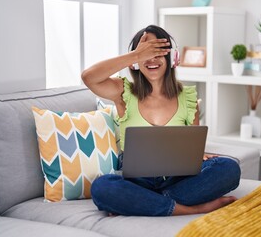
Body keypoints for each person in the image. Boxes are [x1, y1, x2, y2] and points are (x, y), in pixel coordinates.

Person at [81, 25, 241, 216]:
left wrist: (200, 155)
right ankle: (189, 209)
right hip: (137, 180)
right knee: (102, 187)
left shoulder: (188, 99)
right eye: (145, 54)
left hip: (178, 178)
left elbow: (192, 148)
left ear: (171, 58)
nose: (152, 59)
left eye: (158, 52)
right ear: (135, 61)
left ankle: (142, 202)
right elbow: (89, 77)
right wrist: (134, 55)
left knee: (229, 168)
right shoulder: (123, 92)